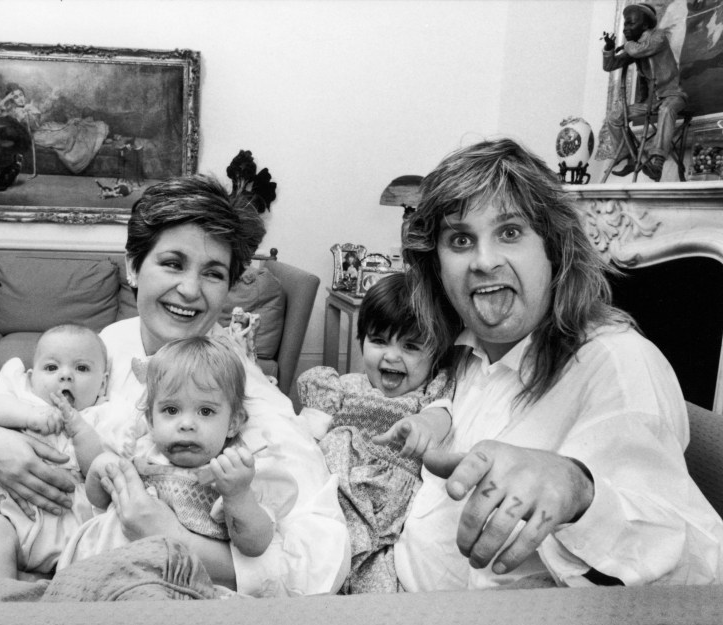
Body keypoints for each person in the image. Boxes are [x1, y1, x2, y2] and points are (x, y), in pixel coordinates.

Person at [0, 174, 349, 596]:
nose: (188, 290)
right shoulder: (113, 341)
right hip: (59, 546)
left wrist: (177, 541)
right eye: (172, 263)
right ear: (133, 266)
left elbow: (325, 561)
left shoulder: (247, 399)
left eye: (213, 273)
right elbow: (17, 390)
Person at [395, 137, 723, 590]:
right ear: (437, 266)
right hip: (394, 589)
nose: (484, 261)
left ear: (554, 249)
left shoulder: (619, 364)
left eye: (510, 232)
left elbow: (696, 570)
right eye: (460, 240)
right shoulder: (469, 349)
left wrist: (579, 491)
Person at [58, 335, 278, 569]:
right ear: (151, 421)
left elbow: (255, 545)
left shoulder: (234, 472)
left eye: (205, 411)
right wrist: (100, 468)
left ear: (233, 422)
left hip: (177, 580)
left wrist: (238, 496)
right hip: (105, 564)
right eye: (171, 410)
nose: (186, 424)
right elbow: (98, 500)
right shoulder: (140, 455)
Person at [297, 272, 457, 593]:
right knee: (302, 565)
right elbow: (305, 439)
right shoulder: (341, 387)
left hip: (381, 513)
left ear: (435, 355)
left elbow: (443, 414)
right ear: (362, 342)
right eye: (379, 340)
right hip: (330, 495)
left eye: (411, 346)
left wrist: (427, 426)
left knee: (376, 587)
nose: (391, 355)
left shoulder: (427, 398)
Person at [0, 324, 109, 579]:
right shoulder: (22, 400)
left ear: (103, 383)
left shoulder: (104, 416)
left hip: (75, 522)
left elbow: (98, 469)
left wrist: (80, 432)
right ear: (32, 378)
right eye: (52, 368)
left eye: (82, 368)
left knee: (98, 555)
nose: (65, 376)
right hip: (11, 513)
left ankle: (63, 595)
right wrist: (31, 415)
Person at [601, 2, 686, 182]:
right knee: (615, 117)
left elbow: (640, 49)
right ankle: (629, 155)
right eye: (624, 24)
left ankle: (657, 162)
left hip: (672, 95)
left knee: (667, 109)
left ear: (646, 25)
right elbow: (610, 65)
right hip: (651, 101)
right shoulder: (635, 46)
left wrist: (625, 45)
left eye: (630, 23)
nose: (626, 28)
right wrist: (609, 48)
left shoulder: (657, 38)